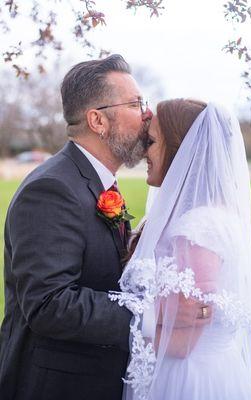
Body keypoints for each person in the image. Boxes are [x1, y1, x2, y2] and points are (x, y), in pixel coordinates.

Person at [0, 56, 209, 400]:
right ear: (97, 120)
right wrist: (158, 312)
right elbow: (49, 304)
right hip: (57, 386)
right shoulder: (51, 189)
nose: (146, 114)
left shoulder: (96, 182)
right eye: (135, 103)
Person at [110, 99, 251, 400]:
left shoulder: (198, 228)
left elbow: (182, 342)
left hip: (188, 382)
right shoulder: (201, 216)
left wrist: (106, 335)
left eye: (151, 142)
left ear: (181, 151)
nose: (144, 152)